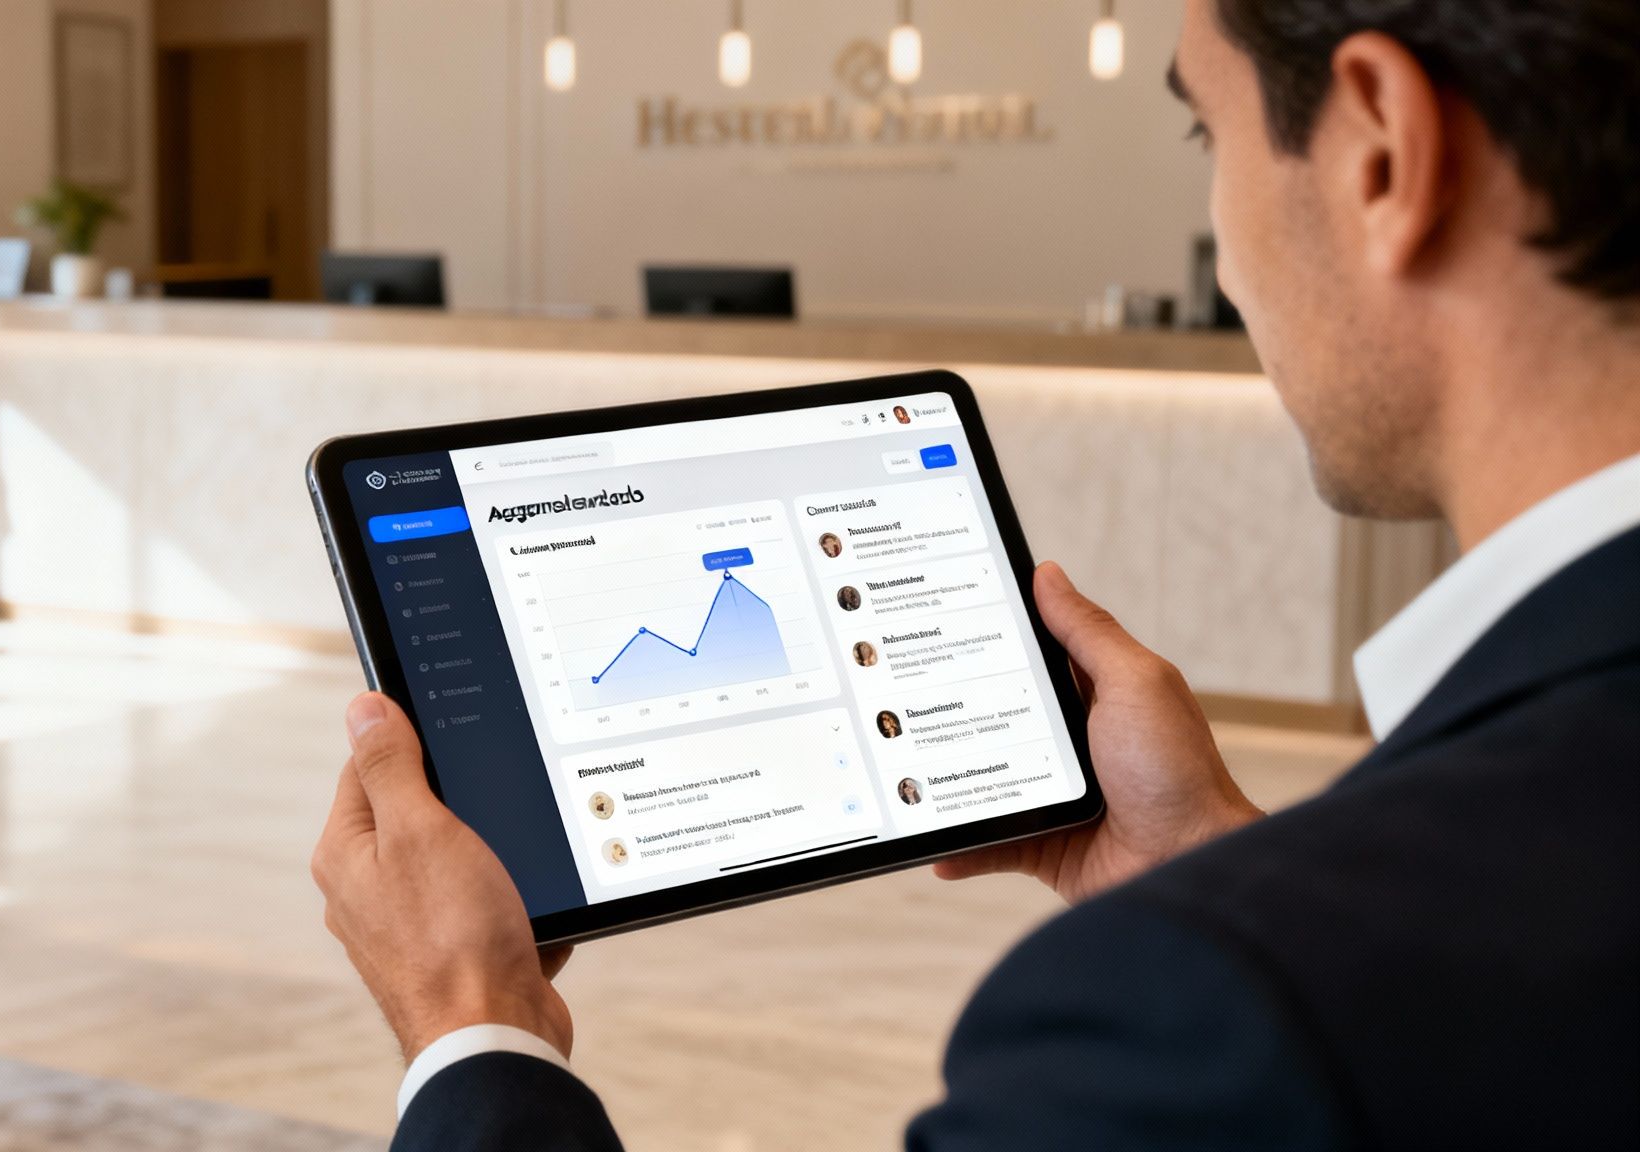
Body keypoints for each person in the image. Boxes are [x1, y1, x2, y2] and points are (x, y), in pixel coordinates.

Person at [311, 1, 1640, 1147]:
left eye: (1205, 134)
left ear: (1380, 152)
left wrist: (470, 1032)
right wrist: (1213, 861)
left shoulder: (1203, 1008)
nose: (1228, 257)